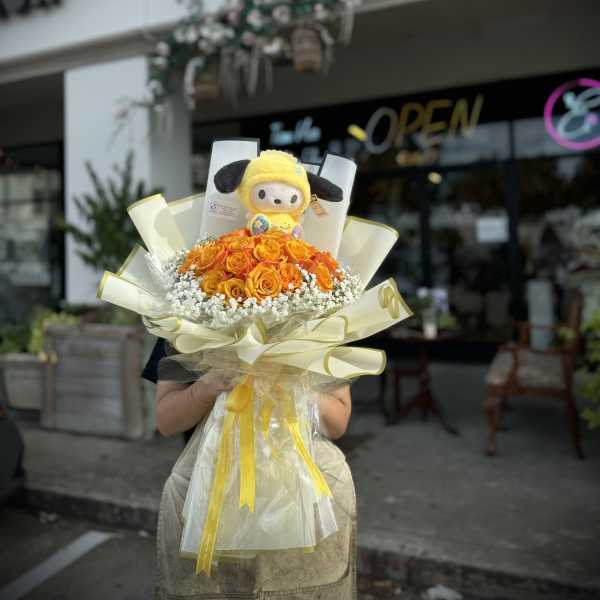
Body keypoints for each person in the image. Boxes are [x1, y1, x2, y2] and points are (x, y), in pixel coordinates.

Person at [141, 338, 358, 599]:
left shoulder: (321, 323)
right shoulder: (184, 324)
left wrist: (293, 379)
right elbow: (167, 421)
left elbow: (337, 423)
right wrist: (207, 386)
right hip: (208, 494)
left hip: (306, 497)